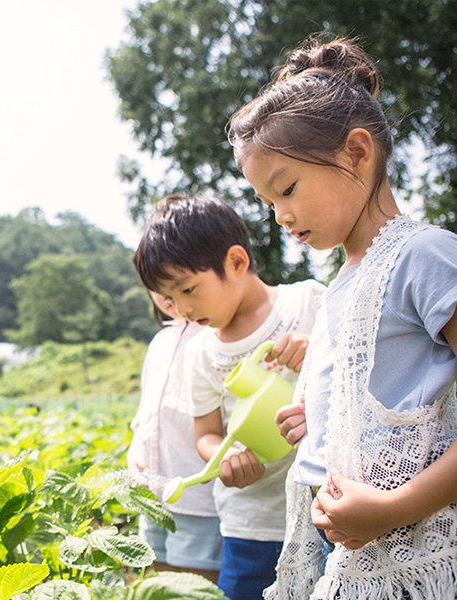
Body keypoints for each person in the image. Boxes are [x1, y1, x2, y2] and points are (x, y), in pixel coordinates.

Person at [228, 35, 457, 599]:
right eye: (267, 201)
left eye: (287, 189)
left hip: (404, 542)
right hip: (346, 544)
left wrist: (395, 507)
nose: (279, 215)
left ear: (357, 152)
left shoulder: (421, 255)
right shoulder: (343, 280)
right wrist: (324, 422)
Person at [133, 193, 324, 600]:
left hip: (325, 511)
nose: (181, 308)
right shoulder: (202, 351)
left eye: (188, 289)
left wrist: (320, 349)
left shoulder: (307, 302)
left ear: (236, 262)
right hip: (250, 524)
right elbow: (205, 433)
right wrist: (224, 453)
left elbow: (363, 372)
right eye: (170, 296)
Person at [126, 289, 222, 583]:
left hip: (196, 493)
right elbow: (145, 413)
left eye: (177, 281)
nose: (167, 294)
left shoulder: (214, 337)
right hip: (153, 493)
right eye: (157, 284)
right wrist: (134, 449)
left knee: (197, 582)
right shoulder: (160, 341)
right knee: (158, 573)